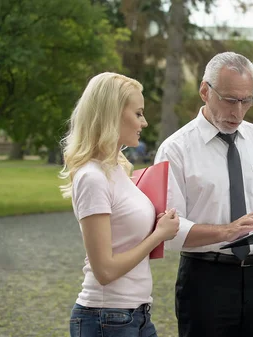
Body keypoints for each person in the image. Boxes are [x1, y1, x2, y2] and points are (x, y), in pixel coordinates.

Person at [154, 52, 253, 337]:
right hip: (205, 280)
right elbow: (168, 231)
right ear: (205, 91)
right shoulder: (175, 149)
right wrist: (227, 232)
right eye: (230, 100)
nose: (238, 112)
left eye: (246, 101)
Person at [59, 72, 180, 337]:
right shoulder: (92, 177)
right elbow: (105, 270)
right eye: (138, 114)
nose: (144, 122)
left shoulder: (118, 170)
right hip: (106, 317)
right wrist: (159, 234)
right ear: (112, 114)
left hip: (135, 313)